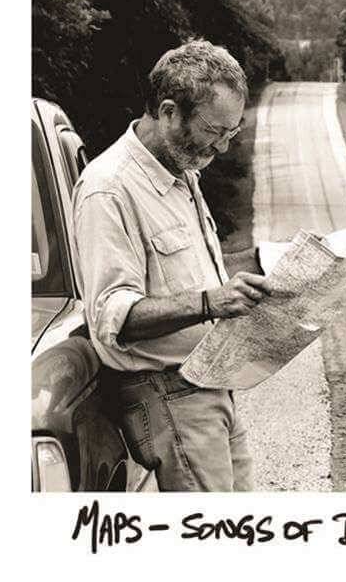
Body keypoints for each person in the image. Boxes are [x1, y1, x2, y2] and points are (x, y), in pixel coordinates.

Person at [72, 39, 273, 491]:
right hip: (170, 394)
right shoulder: (109, 189)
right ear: (168, 112)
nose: (223, 147)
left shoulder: (181, 172)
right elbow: (111, 316)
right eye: (214, 131)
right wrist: (209, 303)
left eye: (232, 132)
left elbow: (187, 274)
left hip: (210, 384)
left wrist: (267, 261)